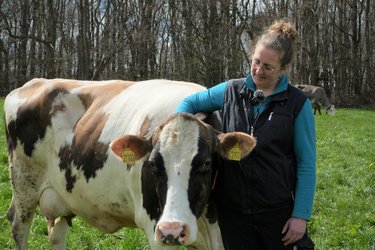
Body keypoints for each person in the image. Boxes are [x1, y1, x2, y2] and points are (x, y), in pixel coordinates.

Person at [176, 18, 316, 250]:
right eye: (256, 62)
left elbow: (306, 164)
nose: (259, 71)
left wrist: (300, 216)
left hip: (277, 213)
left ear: (284, 69)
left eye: (268, 67)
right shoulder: (231, 90)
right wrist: (179, 131)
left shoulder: (297, 104)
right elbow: (190, 102)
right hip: (233, 214)